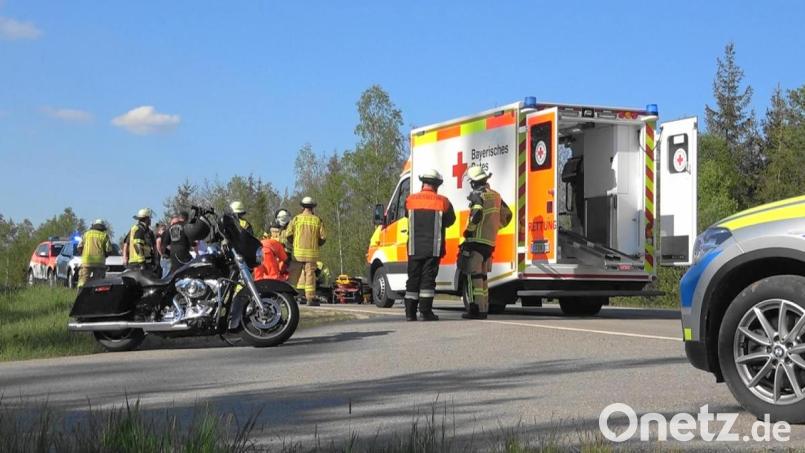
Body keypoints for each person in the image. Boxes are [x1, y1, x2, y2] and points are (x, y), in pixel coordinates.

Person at [460, 166, 512, 319]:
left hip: (475, 241)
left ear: (474, 182)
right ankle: (483, 309)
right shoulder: (496, 196)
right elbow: (508, 215)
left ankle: (474, 309)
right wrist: (495, 228)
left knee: (471, 276)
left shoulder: (478, 196)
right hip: (489, 244)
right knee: (482, 277)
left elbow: (476, 214)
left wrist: (469, 230)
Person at [403, 169, 456, 321]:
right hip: (433, 248)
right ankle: (426, 312)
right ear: (436, 185)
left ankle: (410, 314)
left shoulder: (410, 200)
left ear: (423, 183)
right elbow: (450, 221)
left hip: (414, 247)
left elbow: (407, 216)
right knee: (427, 280)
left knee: (413, 278)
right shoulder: (443, 202)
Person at [286, 197, 326, 306]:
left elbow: (288, 234)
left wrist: (294, 243)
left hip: (297, 253)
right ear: (313, 207)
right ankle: (310, 299)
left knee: (295, 275)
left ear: (302, 207)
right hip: (311, 254)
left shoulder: (296, 219)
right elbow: (323, 237)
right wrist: (317, 244)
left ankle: (291, 297)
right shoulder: (317, 220)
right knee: (310, 275)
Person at [75, 218, 113, 288]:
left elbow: (79, 247)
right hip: (100, 264)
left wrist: (83, 255)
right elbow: (109, 251)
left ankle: (80, 296)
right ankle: (96, 298)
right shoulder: (104, 236)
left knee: (82, 283)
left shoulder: (86, 234)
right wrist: (104, 256)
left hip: (86, 262)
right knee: (98, 284)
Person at [124, 208, 157, 272]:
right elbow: (137, 245)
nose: (150, 220)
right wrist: (142, 263)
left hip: (141, 262)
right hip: (139, 264)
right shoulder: (139, 229)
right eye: (149, 218)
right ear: (146, 219)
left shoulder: (145, 230)